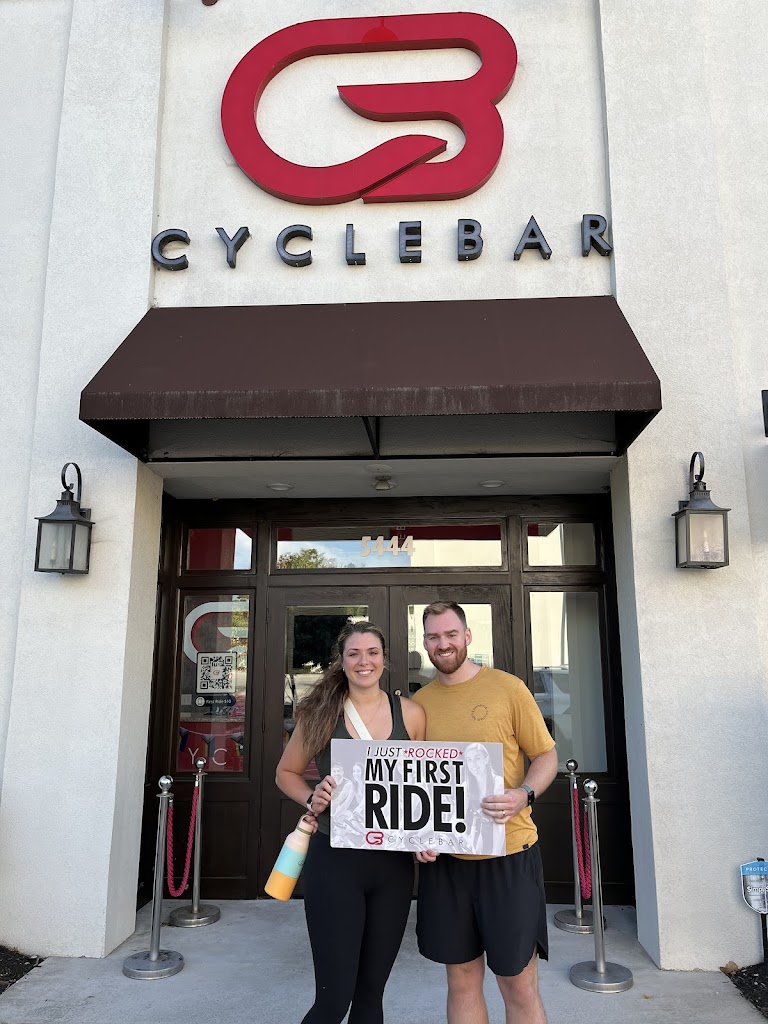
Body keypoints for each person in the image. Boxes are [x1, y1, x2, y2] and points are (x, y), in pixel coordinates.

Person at [412, 602, 558, 1024]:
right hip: (448, 862)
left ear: (467, 636)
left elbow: (546, 756)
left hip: (508, 856)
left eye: (450, 634)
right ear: (425, 643)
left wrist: (524, 794)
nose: (443, 644)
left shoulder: (508, 689)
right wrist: (417, 835)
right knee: (460, 980)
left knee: (517, 982)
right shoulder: (419, 704)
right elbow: (415, 783)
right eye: (434, 637)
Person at [276, 620, 426, 1024]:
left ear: (384, 659)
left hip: (393, 866)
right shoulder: (322, 713)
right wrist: (311, 797)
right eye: (354, 654)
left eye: (372, 653)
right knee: (333, 1000)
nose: (364, 661)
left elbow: (420, 787)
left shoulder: (411, 715)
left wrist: (426, 836)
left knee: (370, 997)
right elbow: (285, 772)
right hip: (335, 861)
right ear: (341, 662)